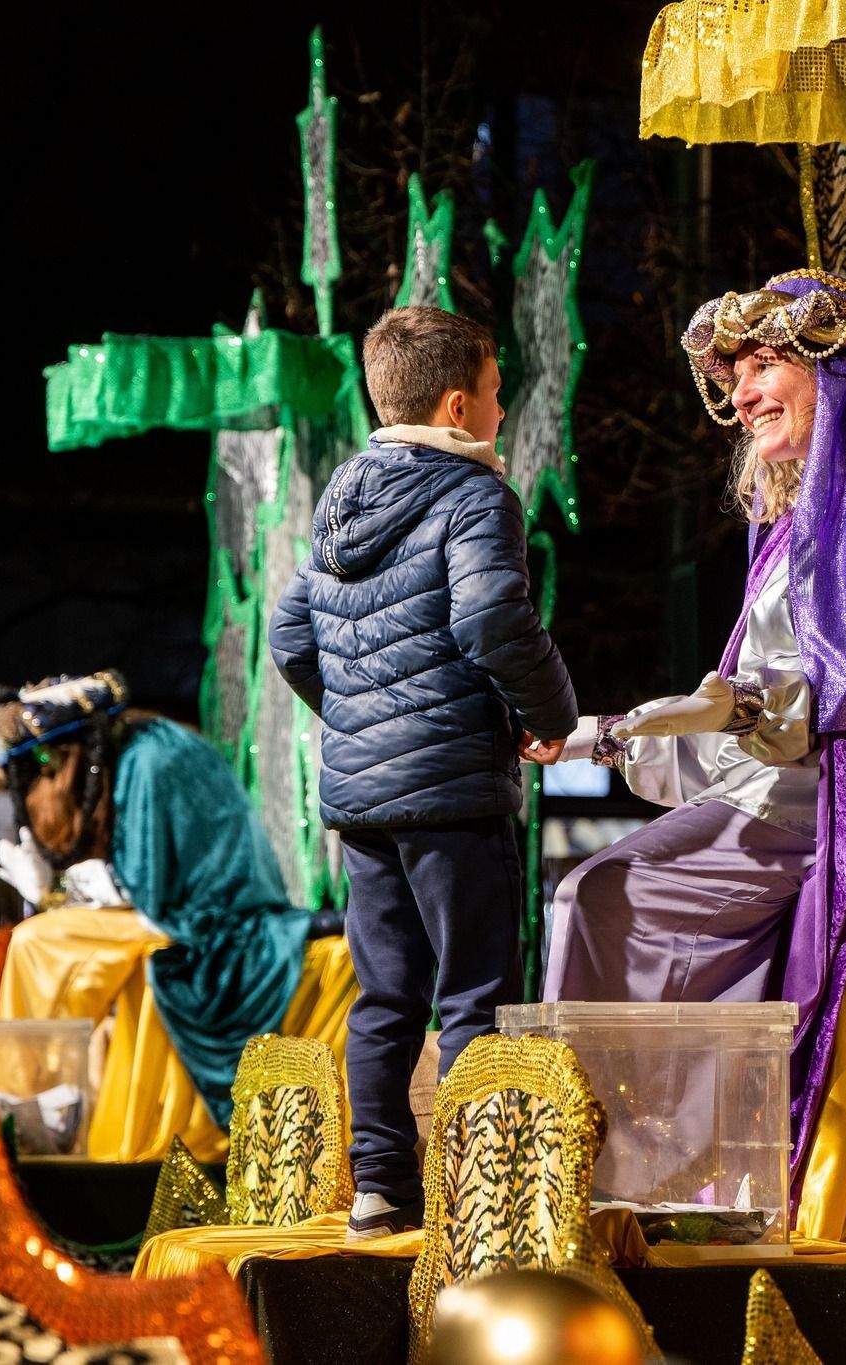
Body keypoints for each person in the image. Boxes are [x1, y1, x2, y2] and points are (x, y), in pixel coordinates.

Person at [538, 271, 846, 1175]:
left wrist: (721, 712)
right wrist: (595, 736)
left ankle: (623, 1169)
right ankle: (632, 1165)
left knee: (597, 897)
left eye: (766, 366)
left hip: (824, 816)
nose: (742, 393)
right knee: (591, 896)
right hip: (773, 802)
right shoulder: (804, 527)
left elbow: (845, 704)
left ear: (835, 379)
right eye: (736, 374)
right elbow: (738, 720)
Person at [269, 305, 577, 1236]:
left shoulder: (343, 495)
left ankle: (380, 1188)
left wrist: (365, 724)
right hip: (450, 787)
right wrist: (550, 712)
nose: (501, 409)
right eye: (495, 392)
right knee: (475, 991)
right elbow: (492, 622)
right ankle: (480, 1199)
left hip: (363, 800)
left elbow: (290, 635)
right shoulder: (476, 495)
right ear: (458, 404)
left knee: (386, 994)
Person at [0, 671, 313, 1129]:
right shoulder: (135, 756)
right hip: (178, 913)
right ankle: (40, 1100)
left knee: (38, 944)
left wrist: (53, 894)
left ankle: (28, 1103)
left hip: (213, 924)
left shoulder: (151, 762)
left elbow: (153, 896)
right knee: (44, 939)